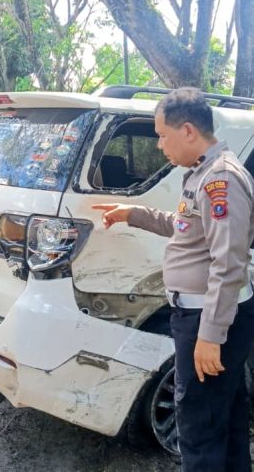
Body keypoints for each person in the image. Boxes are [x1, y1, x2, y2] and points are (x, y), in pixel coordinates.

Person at [93, 87, 254, 471]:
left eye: (163, 136)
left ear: (187, 130)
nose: (161, 145)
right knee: (225, 416)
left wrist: (211, 336)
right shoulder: (202, 173)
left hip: (208, 318)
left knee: (198, 426)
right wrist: (132, 214)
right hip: (205, 315)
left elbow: (228, 263)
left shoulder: (220, 181)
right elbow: (184, 228)